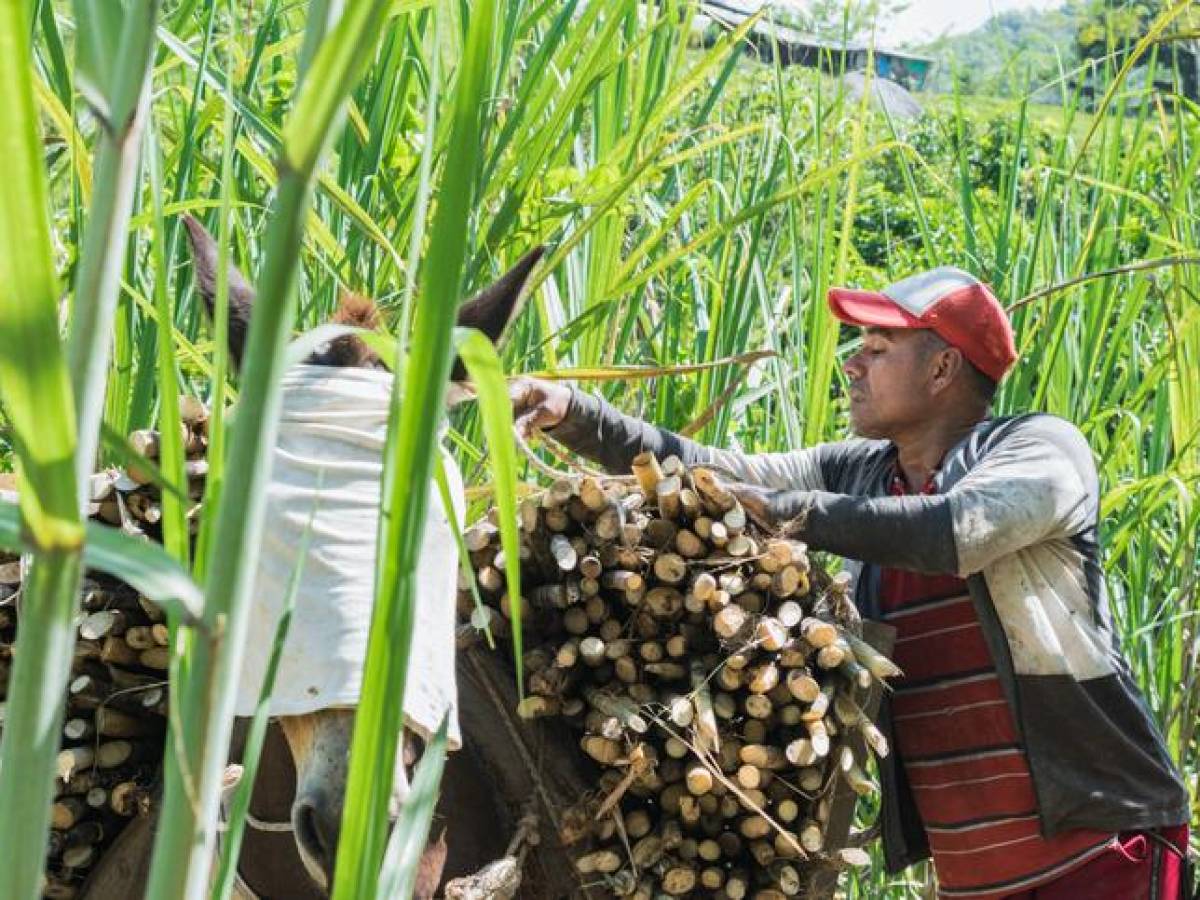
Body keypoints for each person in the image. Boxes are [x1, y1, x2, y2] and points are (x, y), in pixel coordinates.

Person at [509, 268, 1192, 900]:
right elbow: (708, 469)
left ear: (944, 367)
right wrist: (573, 411)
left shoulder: (1040, 450)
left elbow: (949, 534)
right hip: (972, 875)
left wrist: (783, 512)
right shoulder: (858, 473)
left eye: (879, 346)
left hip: (1103, 849)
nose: (853, 363)